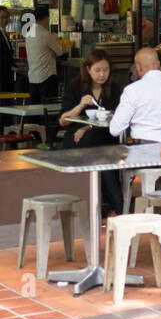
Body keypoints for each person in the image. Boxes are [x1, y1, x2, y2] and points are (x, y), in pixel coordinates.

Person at [60, 49, 123, 215]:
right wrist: (80, 105)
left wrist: (86, 127)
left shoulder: (115, 88)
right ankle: (119, 207)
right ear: (88, 70)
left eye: (105, 70)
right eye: (97, 70)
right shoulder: (76, 87)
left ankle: (112, 207)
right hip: (78, 141)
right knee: (101, 159)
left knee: (101, 154)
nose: (102, 74)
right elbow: (63, 120)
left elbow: (117, 114)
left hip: (103, 138)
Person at [25, 5, 64, 103]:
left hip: (33, 77)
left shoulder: (29, 33)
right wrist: (52, 52)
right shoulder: (45, 34)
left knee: (35, 109)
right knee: (48, 108)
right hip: (46, 77)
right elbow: (60, 51)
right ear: (46, 18)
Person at [0, 6, 17, 92]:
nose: (5, 20)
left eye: (6, 17)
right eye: (2, 17)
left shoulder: (3, 33)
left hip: (6, 73)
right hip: (0, 74)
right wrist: (10, 67)